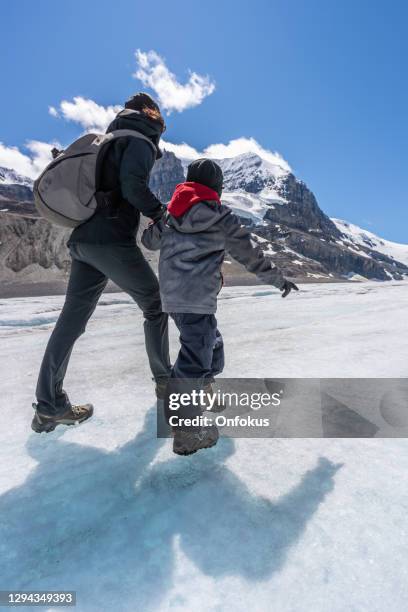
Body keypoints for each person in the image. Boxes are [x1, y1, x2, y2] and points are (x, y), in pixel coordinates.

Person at [32, 93, 172, 433]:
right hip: (110, 239)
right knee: (156, 304)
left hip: (84, 241)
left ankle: (48, 406)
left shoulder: (110, 138)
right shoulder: (139, 138)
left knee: (71, 322)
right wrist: (160, 213)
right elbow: (133, 186)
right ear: (150, 113)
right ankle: (168, 387)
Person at [142, 158, 298, 455]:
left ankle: (202, 389)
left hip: (174, 299)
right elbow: (249, 255)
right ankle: (186, 432)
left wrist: (157, 222)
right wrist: (279, 281)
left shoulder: (171, 214)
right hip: (196, 300)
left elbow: (149, 241)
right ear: (216, 188)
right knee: (193, 362)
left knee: (211, 343)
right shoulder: (220, 216)